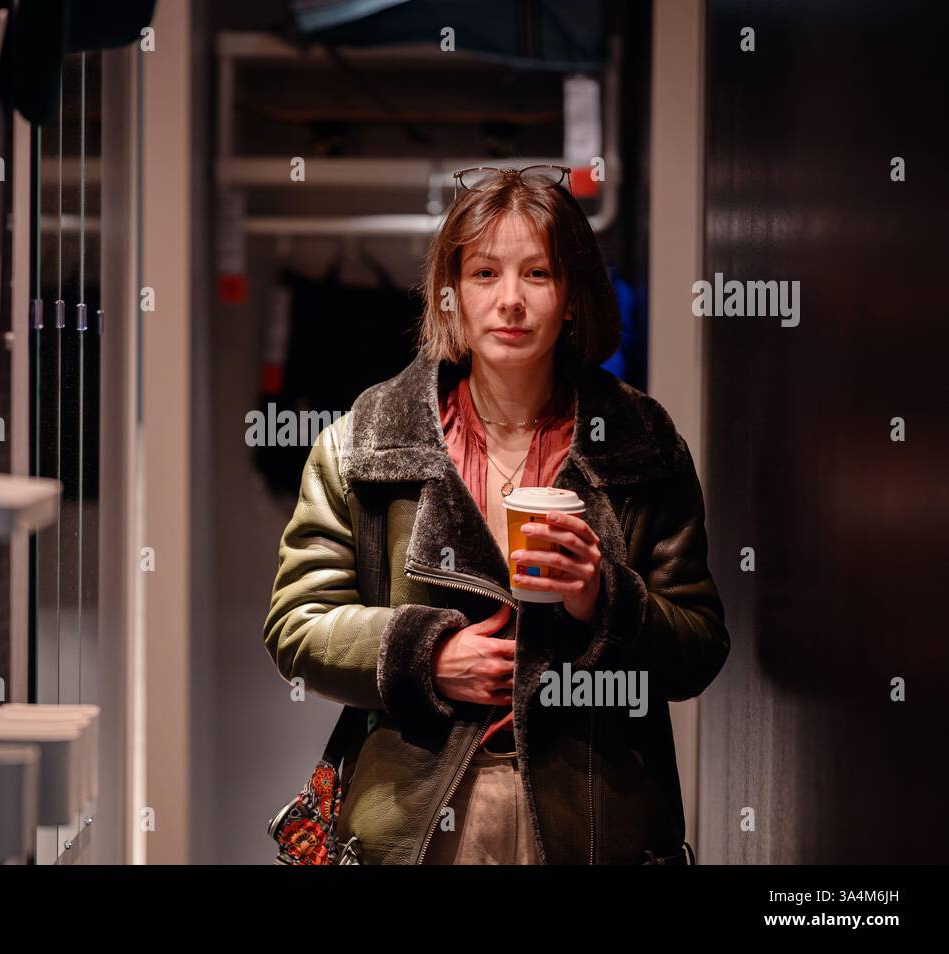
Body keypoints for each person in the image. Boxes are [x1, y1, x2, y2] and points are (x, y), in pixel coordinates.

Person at [263, 165, 730, 864]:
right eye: (484, 274)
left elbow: (698, 646)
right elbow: (297, 625)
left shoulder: (643, 443)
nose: (510, 301)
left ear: (571, 296)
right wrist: (426, 655)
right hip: (413, 819)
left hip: (598, 822)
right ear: (449, 296)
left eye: (537, 274)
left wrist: (602, 600)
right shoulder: (364, 441)